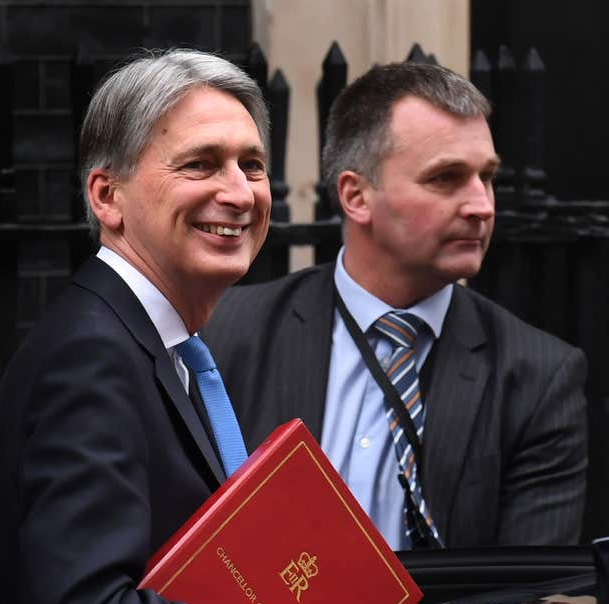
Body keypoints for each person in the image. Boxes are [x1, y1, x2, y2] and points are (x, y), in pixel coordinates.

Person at [0, 49, 312, 604]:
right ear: (107, 196)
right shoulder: (93, 353)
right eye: (200, 164)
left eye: (251, 164)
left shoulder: (150, 346)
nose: (240, 191)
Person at [203, 61, 588, 549]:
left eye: (485, 177)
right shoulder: (228, 333)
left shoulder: (535, 376)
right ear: (356, 196)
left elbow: (527, 597)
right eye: (446, 178)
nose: (482, 205)